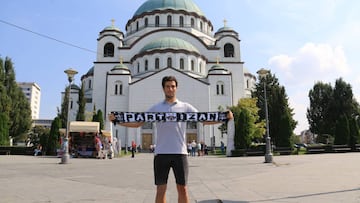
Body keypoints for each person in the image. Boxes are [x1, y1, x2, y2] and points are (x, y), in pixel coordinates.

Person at [110, 76, 233, 203]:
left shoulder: (185, 107)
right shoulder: (156, 108)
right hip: (161, 153)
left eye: (173, 86)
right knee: (161, 189)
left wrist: (224, 118)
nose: (170, 89)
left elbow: (203, 120)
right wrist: (117, 121)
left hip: (180, 153)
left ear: (176, 88)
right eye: (168, 86)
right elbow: (138, 123)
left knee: (183, 189)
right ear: (163, 88)